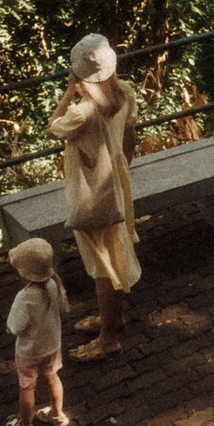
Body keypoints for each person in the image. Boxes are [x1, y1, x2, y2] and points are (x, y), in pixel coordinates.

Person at [51, 32, 141, 360]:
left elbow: (53, 126)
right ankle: (112, 318)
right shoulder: (125, 94)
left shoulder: (82, 112)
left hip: (93, 196)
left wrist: (68, 91)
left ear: (79, 75)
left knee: (104, 267)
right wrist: (124, 171)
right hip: (116, 184)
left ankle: (108, 339)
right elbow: (130, 134)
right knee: (115, 255)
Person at [4, 237, 71, 426]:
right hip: (51, 345)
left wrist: (9, 328)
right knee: (52, 376)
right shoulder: (54, 284)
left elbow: (15, 326)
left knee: (27, 386)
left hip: (28, 352)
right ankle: (57, 415)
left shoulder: (24, 297)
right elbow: (63, 308)